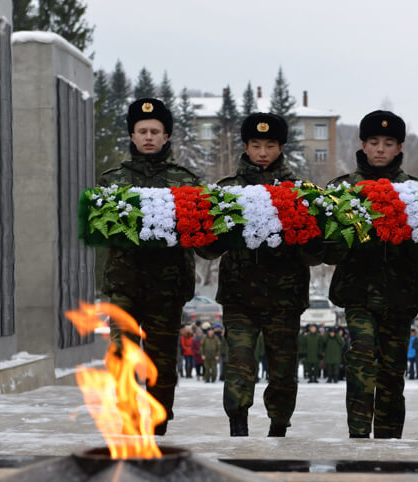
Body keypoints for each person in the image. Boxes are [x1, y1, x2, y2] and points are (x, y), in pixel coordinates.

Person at [202, 112, 322, 437]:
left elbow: (316, 255)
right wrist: (214, 235)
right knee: (238, 364)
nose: (263, 152)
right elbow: (206, 249)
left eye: (270, 145)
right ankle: (237, 427)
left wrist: (309, 236)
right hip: (239, 297)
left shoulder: (301, 192)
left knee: (282, 370)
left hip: (285, 298)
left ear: (281, 147)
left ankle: (278, 428)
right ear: (246, 146)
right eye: (256, 145)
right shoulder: (227, 191)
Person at [99, 98, 200, 435]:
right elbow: (99, 232)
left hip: (167, 286)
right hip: (124, 284)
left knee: (162, 361)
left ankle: (158, 422)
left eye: (155, 131)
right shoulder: (111, 181)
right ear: (132, 135)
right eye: (142, 131)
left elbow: (198, 233)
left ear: (166, 136)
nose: (148, 137)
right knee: (121, 353)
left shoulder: (185, 181)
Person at [327, 110, 418, 439]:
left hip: (401, 295)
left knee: (392, 371)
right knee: (360, 358)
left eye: (388, 142)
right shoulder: (342, 189)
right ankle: (358, 436)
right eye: (374, 142)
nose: (380, 149)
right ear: (363, 145)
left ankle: (389, 441)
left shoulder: (417, 191)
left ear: (399, 147)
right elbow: (326, 248)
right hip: (357, 292)